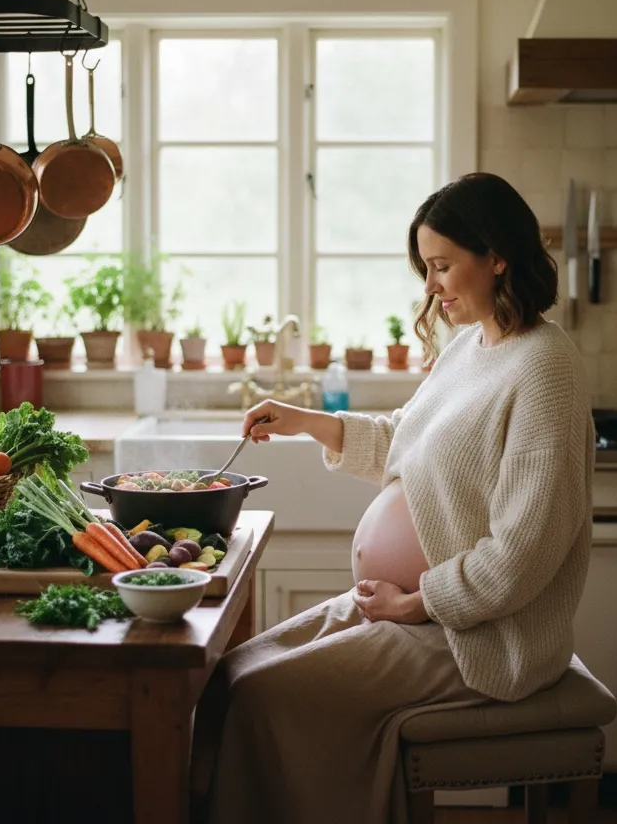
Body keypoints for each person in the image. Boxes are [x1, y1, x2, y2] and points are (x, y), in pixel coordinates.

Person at [191, 172, 595, 824]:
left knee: (263, 697)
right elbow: (405, 442)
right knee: (229, 674)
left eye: (442, 266)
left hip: (480, 638)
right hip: (419, 614)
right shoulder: (471, 347)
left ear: (497, 257)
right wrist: (303, 420)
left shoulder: (544, 367)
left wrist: (416, 602)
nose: (430, 287)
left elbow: (524, 552)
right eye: (426, 268)